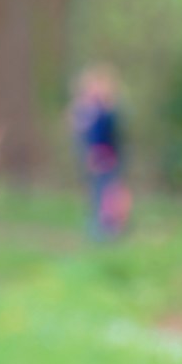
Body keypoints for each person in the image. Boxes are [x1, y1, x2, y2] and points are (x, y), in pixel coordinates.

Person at [71, 64, 129, 239]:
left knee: (108, 192)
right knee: (98, 191)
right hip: (97, 155)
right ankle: (100, 227)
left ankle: (108, 227)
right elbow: (82, 130)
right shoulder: (92, 110)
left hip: (107, 155)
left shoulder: (108, 110)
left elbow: (112, 135)